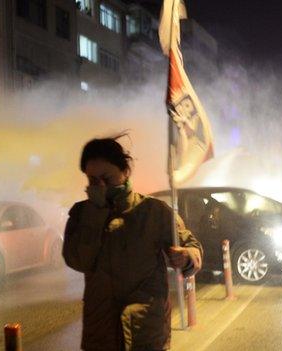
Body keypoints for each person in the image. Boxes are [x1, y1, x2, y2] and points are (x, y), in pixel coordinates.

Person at [63, 136, 203, 351]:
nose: (100, 186)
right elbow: (77, 260)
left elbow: (192, 246)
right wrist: (97, 214)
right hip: (100, 333)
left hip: (146, 331)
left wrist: (187, 256)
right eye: (92, 181)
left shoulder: (155, 212)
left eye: (106, 178)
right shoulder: (82, 214)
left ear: (125, 171)